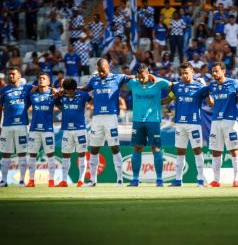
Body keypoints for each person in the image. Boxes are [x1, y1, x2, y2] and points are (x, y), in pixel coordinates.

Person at [81, 58, 131, 186]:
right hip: (97, 118)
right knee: (94, 148)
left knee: (114, 147)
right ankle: (92, 180)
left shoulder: (117, 78)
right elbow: (86, 88)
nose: (101, 73)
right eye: (99, 71)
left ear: (108, 67)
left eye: (102, 70)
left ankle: (120, 179)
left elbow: (132, 77)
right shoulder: (95, 79)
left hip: (111, 117)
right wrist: (70, 88)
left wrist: (145, 76)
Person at [162, 62, 209, 187]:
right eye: (182, 73)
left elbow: (211, 103)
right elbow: (168, 99)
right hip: (180, 124)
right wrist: (152, 100)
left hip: (194, 124)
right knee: (180, 151)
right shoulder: (177, 87)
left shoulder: (200, 86)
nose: (184, 75)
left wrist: (206, 87)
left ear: (192, 72)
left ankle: (200, 180)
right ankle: (178, 180)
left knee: (197, 150)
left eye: (186, 73)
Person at [126, 64, 170, 187]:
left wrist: (169, 99)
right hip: (137, 121)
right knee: (137, 148)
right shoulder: (133, 82)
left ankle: (160, 180)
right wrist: (132, 76)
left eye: (143, 77)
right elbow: (118, 80)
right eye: (139, 77)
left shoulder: (158, 82)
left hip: (153, 121)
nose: (141, 79)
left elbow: (174, 87)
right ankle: (135, 179)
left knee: (156, 149)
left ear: (148, 73)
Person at [205, 62, 238, 187]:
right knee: (216, 151)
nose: (214, 74)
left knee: (234, 150)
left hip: (230, 120)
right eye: (213, 72)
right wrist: (207, 97)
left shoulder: (234, 83)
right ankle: (216, 180)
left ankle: (237, 179)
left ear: (223, 71)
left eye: (216, 71)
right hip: (216, 120)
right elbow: (211, 104)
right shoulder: (212, 85)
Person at [0, 67, 32, 187]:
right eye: (9, 74)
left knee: (22, 153)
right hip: (6, 126)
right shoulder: (4, 90)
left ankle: (22, 180)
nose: (11, 76)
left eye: (13, 74)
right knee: (5, 153)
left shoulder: (28, 88)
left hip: (22, 125)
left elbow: (41, 91)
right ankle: (4, 180)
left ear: (19, 76)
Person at [56, 78, 91, 187]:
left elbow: (93, 101)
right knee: (65, 154)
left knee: (81, 154)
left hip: (80, 129)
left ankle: (81, 180)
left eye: (70, 91)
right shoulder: (62, 95)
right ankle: (64, 181)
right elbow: (56, 102)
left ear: (74, 89)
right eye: (66, 91)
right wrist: (60, 101)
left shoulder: (83, 95)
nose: (68, 93)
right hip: (66, 129)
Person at [26, 73, 57, 187]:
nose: (41, 80)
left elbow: (62, 104)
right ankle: (31, 180)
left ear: (49, 82)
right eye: (39, 78)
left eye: (44, 78)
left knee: (50, 155)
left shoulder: (53, 94)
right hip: (34, 129)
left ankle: (51, 181)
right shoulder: (32, 94)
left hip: (48, 129)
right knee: (32, 155)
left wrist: (55, 91)